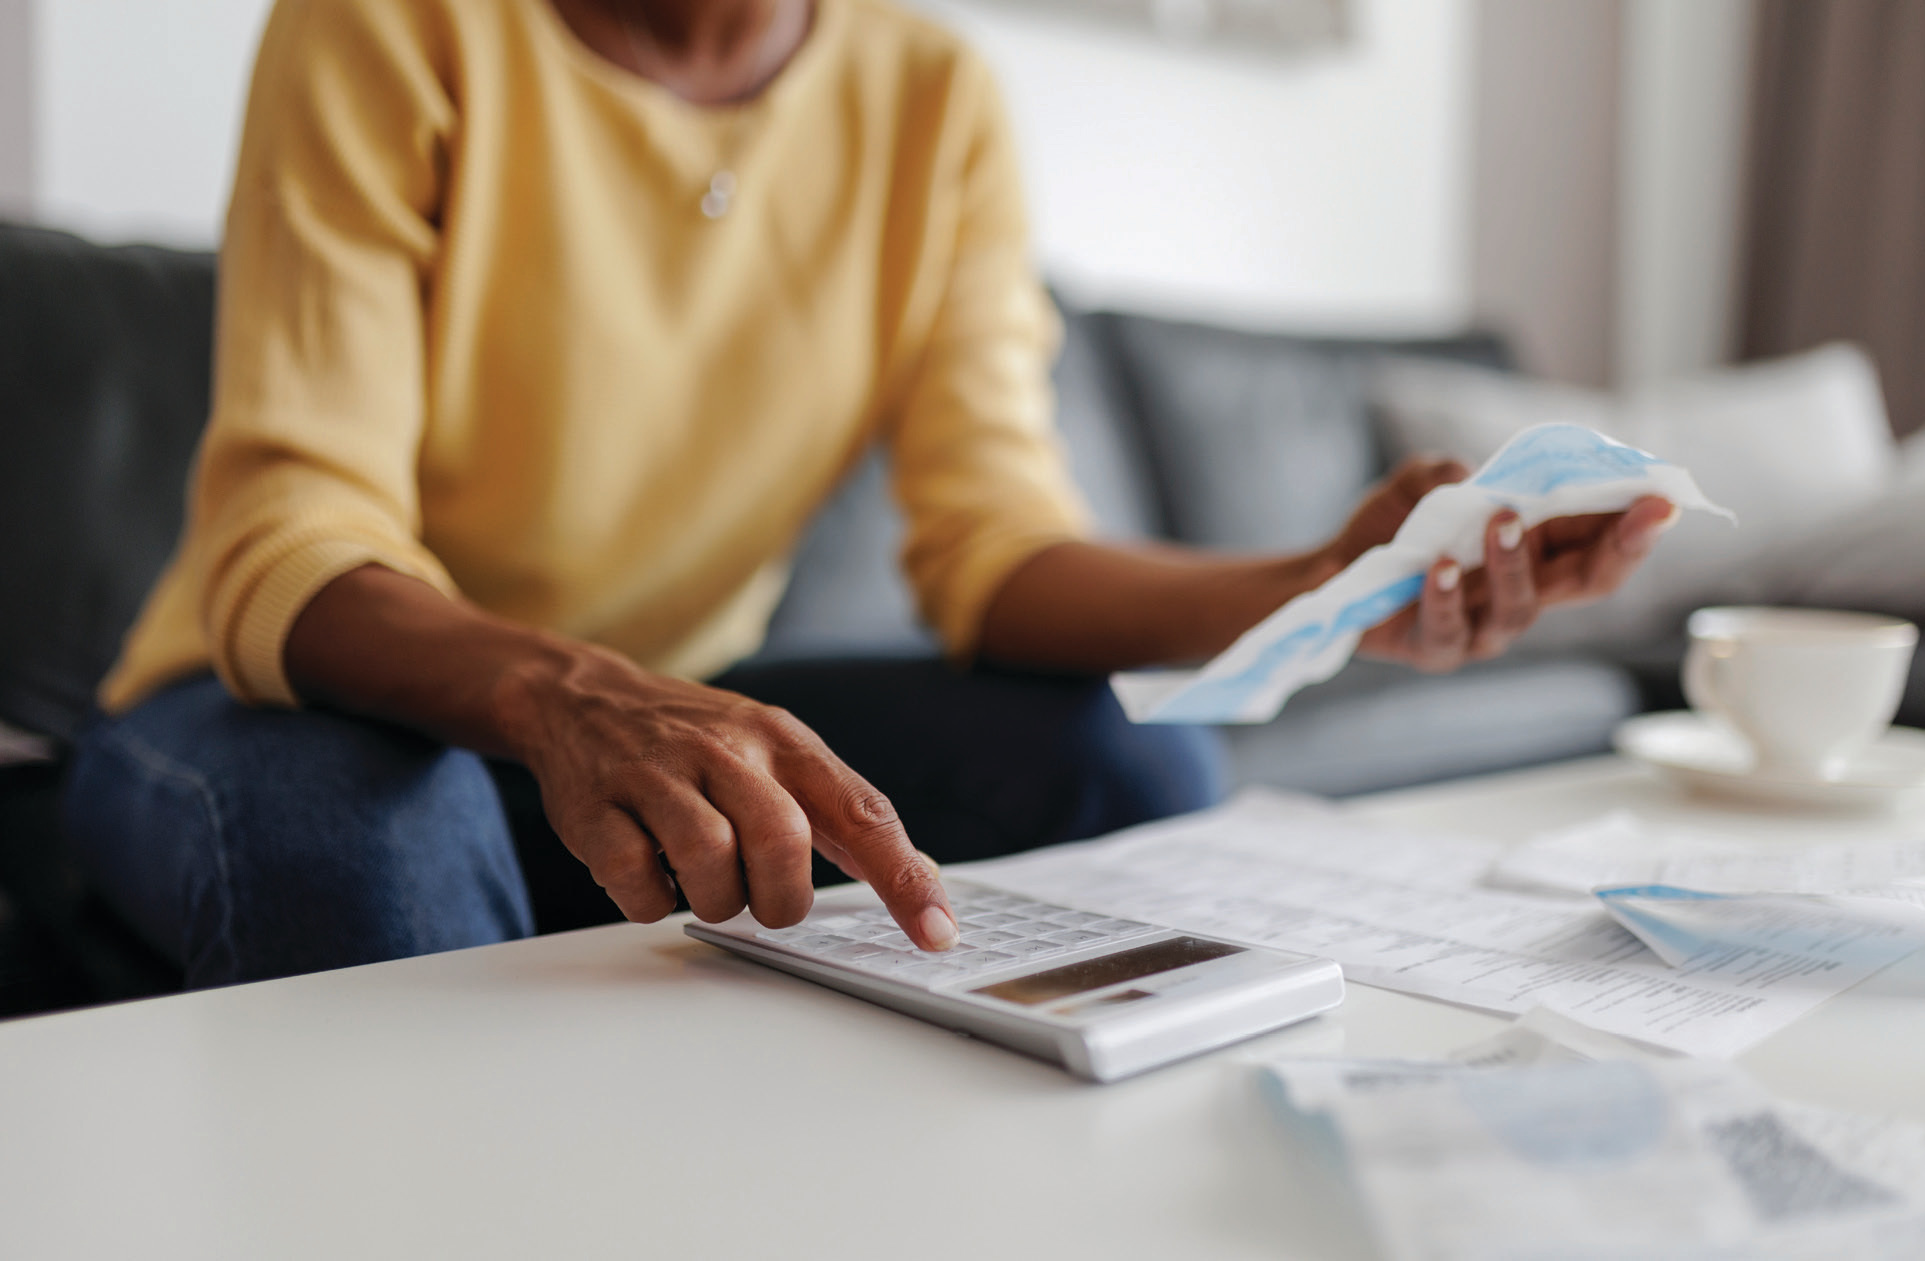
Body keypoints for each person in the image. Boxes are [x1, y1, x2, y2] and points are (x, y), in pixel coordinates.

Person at [64, 0, 1676, 989]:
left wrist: (1323, 581)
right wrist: (573, 697)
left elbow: (995, 552)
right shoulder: (388, 22)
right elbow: (296, 537)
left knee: (1129, 753)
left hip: (660, 709)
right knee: (369, 844)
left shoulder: (929, 99)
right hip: (299, 691)